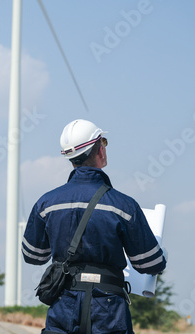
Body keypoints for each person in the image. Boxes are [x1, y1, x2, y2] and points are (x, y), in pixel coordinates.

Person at [22, 119, 167, 334]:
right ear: (100, 150)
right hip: (108, 310)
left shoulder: (46, 203)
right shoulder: (124, 206)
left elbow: (33, 256)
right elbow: (151, 264)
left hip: (64, 303)